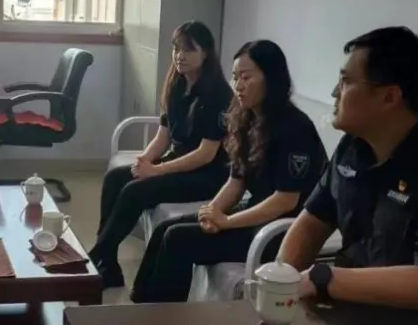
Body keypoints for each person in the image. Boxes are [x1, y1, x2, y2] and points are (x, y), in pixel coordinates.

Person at [277, 27, 418, 311]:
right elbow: (311, 225)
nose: (334, 92)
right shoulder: (351, 147)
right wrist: (279, 283)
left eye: (345, 81)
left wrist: (324, 278)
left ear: (389, 97)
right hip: (349, 315)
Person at [130, 40, 326, 303]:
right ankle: (141, 307)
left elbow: (285, 201)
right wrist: (212, 212)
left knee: (177, 239)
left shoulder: (295, 128)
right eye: (235, 77)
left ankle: (166, 318)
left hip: (280, 230)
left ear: (272, 78)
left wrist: (227, 221)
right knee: (165, 228)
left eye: (246, 77)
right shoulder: (247, 118)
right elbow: (236, 182)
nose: (238, 85)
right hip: (254, 214)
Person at [89, 21, 233, 289]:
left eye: (188, 49)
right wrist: (144, 160)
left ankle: (97, 255)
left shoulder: (218, 95)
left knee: (134, 191)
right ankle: (107, 262)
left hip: (206, 176)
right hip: (178, 163)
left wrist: (156, 170)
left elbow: (205, 155)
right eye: (176, 48)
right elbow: (163, 136)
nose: (180, 55)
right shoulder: (177, 85)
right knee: (115, 178)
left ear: (206, 53)